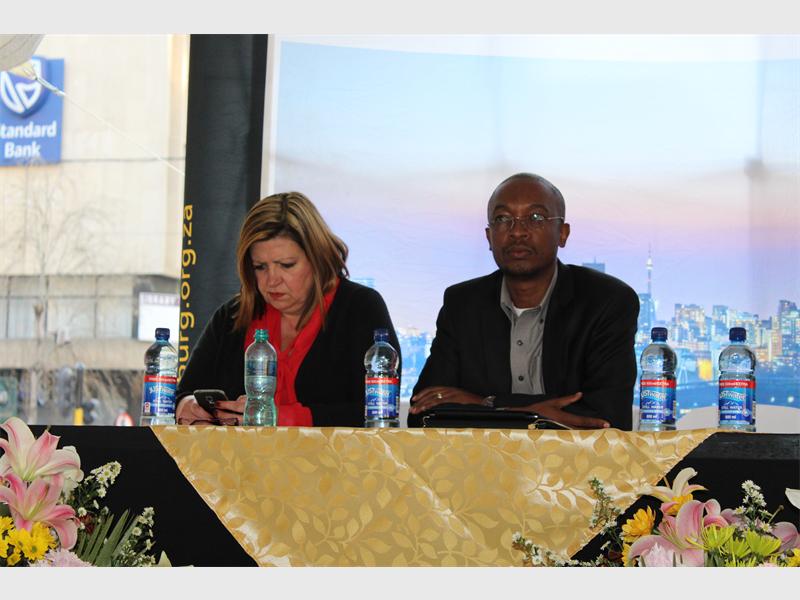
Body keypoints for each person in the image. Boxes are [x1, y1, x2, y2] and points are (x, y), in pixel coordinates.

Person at [408, 173, 638, 430]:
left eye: (536, 217)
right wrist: (538, 412)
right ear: (489, 236)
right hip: (483, 456)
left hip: (573, 456)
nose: (517, 232)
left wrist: (485, 403)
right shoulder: (462, 304)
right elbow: (422, 412)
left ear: (562, 234)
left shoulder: (605, 301)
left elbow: (607, 417)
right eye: (502, 219)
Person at [176, 191, 400, 427]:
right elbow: (183, 394)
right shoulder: (233, 315)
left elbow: (378, 414)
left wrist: (280, 418)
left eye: (286, 265)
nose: (272, 280)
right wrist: (188, 407)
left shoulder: (360, 308)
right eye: (260, 267)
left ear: (317, 258)